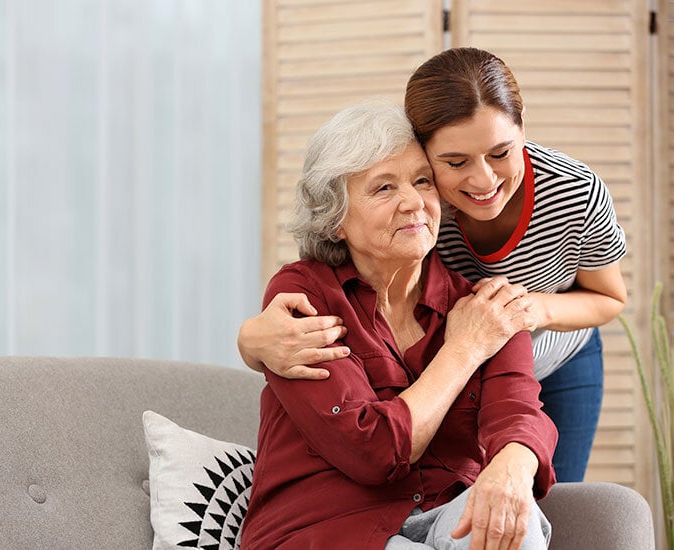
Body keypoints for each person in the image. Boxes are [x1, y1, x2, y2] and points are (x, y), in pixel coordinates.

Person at [237, 47, 627, 482]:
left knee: (552, 492)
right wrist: (250, 340)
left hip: (555, 353)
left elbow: (609, 297)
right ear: (423, 151)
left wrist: (532, 311)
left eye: (501, 153)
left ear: (523, 129)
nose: (483, 181)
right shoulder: (422, 203)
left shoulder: (575, 192)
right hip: (467, 352)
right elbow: (343, 257)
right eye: (455, 162)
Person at [240, 100, 557, 550]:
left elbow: (519, 412)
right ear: (335, 221)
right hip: (328, 527)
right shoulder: (304, 295)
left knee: (517, 525)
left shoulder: (483, 304)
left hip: (447, 511)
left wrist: (513, 467)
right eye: (384, 188)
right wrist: (463, 349)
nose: (413, 202)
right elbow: (371, 450)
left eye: (422, 181)